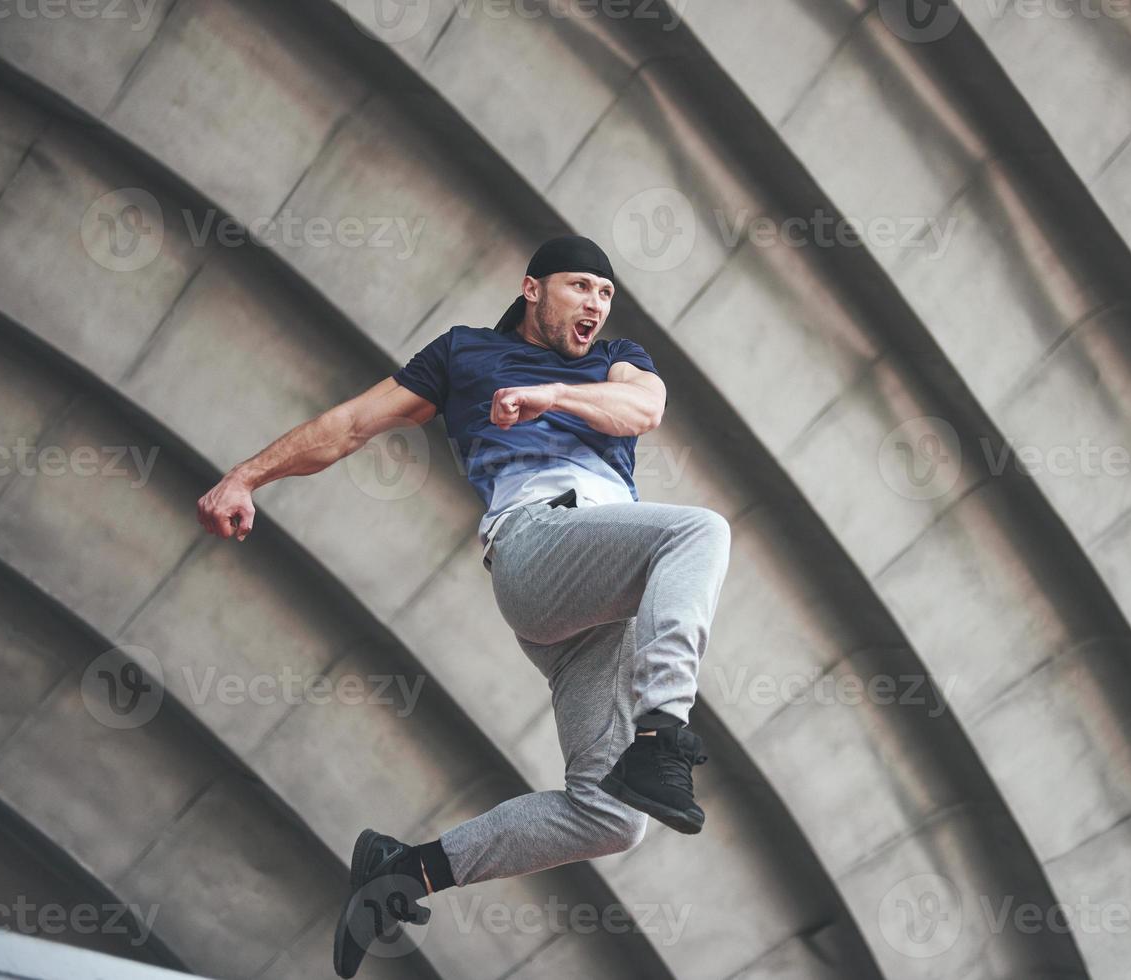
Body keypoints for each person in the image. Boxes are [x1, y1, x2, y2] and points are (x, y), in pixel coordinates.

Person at [194, 236, 732, 978]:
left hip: (595, 602)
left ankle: (404, 870)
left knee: (612, 817)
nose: (594, 307)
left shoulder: (614, 359)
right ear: (532, 288)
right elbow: (350, 425)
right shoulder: (463, 355)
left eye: (604, 295)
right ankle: (663, 731)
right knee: (699, 530)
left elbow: (643, 408)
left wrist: (554, 396)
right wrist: (245, 478)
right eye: (580, 288)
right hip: (537, 544)